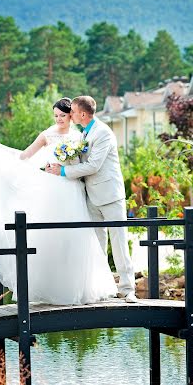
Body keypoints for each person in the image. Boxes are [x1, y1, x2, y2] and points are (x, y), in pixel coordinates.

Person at [0, 97, 117, 305]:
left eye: (63, 115)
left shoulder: (80, 136)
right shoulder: (47, 135)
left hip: (73, 190)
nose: (59, 119)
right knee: (48, 238)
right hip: (51, 191)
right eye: (56, 115)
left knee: (75, 238)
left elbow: (85, 164)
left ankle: (78, 290)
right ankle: (48, 290)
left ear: (71, 116)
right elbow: (25, 156)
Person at [46, 96, 136, 302]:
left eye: (73, 111)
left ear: (83, 114)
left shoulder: (103, 133)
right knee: (97, 245)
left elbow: (93, 165)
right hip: (91, 196)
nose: (70, 114)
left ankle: (128, 289)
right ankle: (104, 287)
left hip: (110, 195)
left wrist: (62, 171)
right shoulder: (83, 133)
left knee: (119, 242)